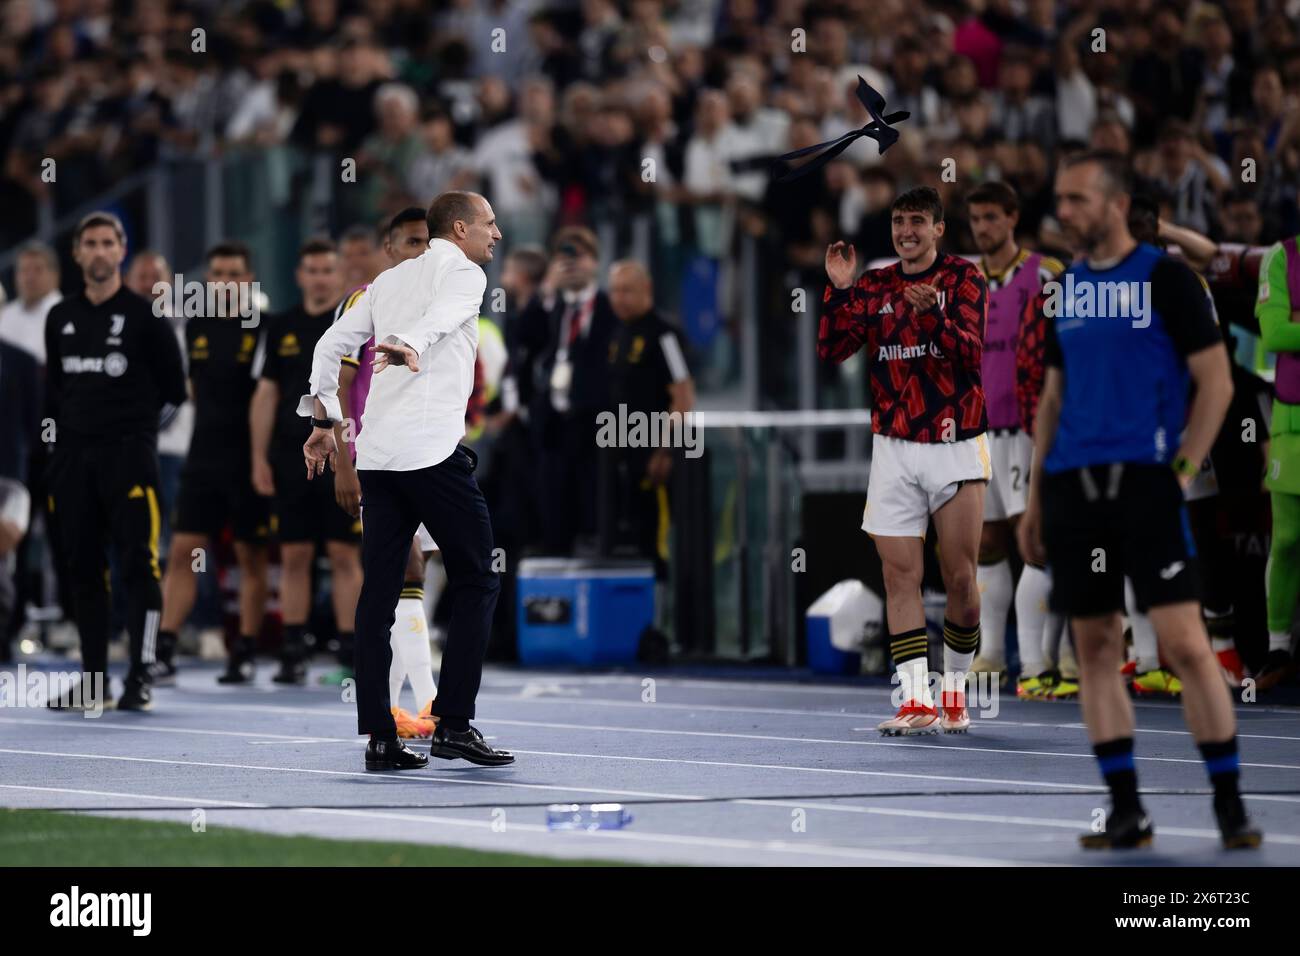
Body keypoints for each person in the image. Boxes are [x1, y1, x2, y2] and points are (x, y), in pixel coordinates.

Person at [1019, 150, 1260, 849]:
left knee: (1186, 646)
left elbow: (1215, 383)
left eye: (1075, 200)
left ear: (1116, 203)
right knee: (1095, 646)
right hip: (1072, 489)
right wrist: (1036, 497)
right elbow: (1052, 399)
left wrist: (1181, 470)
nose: (1062, 212)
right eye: (1059, 200)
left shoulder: (1168, 279)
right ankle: (1126, 809)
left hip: (1146, 485)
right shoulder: (1064, 288)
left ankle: (1229, 805)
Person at [301, 190, 512, 771]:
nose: (497, 234)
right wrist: (410, 345)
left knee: (379, 593)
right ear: (462, 228)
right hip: (431, 453)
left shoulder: (385, 282)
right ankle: (453, 725)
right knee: (478, 576)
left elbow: (329, 346)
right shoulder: (465, 275)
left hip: (377, 456)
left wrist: (323, 421)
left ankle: (380, 739)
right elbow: (441, 322)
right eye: (490, 224)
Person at [820, 186, 990, 735]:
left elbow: (970, 352)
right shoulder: (874, 283)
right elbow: (832, 351)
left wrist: (934, 317)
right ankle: (917, 700)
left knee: (960, 580)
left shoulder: (964, 279)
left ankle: (956, 690)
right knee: (900, 576)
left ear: (939, 228)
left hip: (955, 442)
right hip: (892, 445)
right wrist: (840, 291)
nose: (906, 231)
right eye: (898, 221)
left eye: (918, 220)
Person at [44, 212, 187, 711]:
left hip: (130, 462)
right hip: (73, 465)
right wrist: (62, 449)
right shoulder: (59, 317)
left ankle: (141, 674)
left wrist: (137, 436)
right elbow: (58, 394)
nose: (100, 251)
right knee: (83, 570)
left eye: (109, 242)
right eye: (91, 243)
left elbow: (175, 392)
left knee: (139, 566)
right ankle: (93, 680)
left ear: (121, 251)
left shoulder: (147, 318)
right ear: (78, 253)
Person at [333, 206, 441, 736]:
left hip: (429, 453)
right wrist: (343, 461)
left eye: (429, 241)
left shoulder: (439, 300)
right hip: (377, 458)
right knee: (404, 569)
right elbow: (337, 384)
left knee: (409, 572)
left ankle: (404, 706)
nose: (423, 250)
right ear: (390, 249)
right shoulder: (366, 301)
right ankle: (427, 703)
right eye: (413, 241)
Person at [154, 242, 271, 685]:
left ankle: (242, 651)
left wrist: (262, 459)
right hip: (202, 457)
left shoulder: (264, 327)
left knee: (250, 556)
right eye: (218, 273)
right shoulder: (194, 328)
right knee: (183, 551)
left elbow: (269, 397)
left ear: (248, 279)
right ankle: (163, 649)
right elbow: (191, 391)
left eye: (234, 274)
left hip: (249, 460)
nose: (225, 282)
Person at [965, 181, 1064, 696]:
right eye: (975, 219)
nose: (982, 228)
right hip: (978, 431)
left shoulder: (1047, 275)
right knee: (987, 543)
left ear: (1012, 218)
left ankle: (1039, 663)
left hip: (1028, 428)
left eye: (990, 218)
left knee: (1035, 540)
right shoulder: (960, 280)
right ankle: (992, 656)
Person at [250, 238, 360, 684]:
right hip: (289, 454)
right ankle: (293, 652)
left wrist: (352, 453)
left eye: (326, 270)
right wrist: (258, 457)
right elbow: (265, 393)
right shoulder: (279, 326)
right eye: (311, 270)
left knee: (344, 553)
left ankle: (352, 653)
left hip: (341, 452)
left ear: (339, 275)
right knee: (293, 554)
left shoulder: (353, 322)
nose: (319, 278)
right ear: (300, 276)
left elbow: (358, 389)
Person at [602, 260, 694, 573]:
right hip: (622, 449)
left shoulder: (666, 334)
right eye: (614, 291)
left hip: (655, 451)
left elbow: (682, 395)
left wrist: (667, 450)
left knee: (661, 540)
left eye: (627, 290)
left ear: (647, 290)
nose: (619, 298)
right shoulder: (617, 332)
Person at [1255, 231, 1300, 690]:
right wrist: (1289, 324)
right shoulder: (1280, 257)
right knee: (1286, 540)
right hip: (1292, 422)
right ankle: (1278, 647)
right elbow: (1274, 334)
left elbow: (1292, 331)